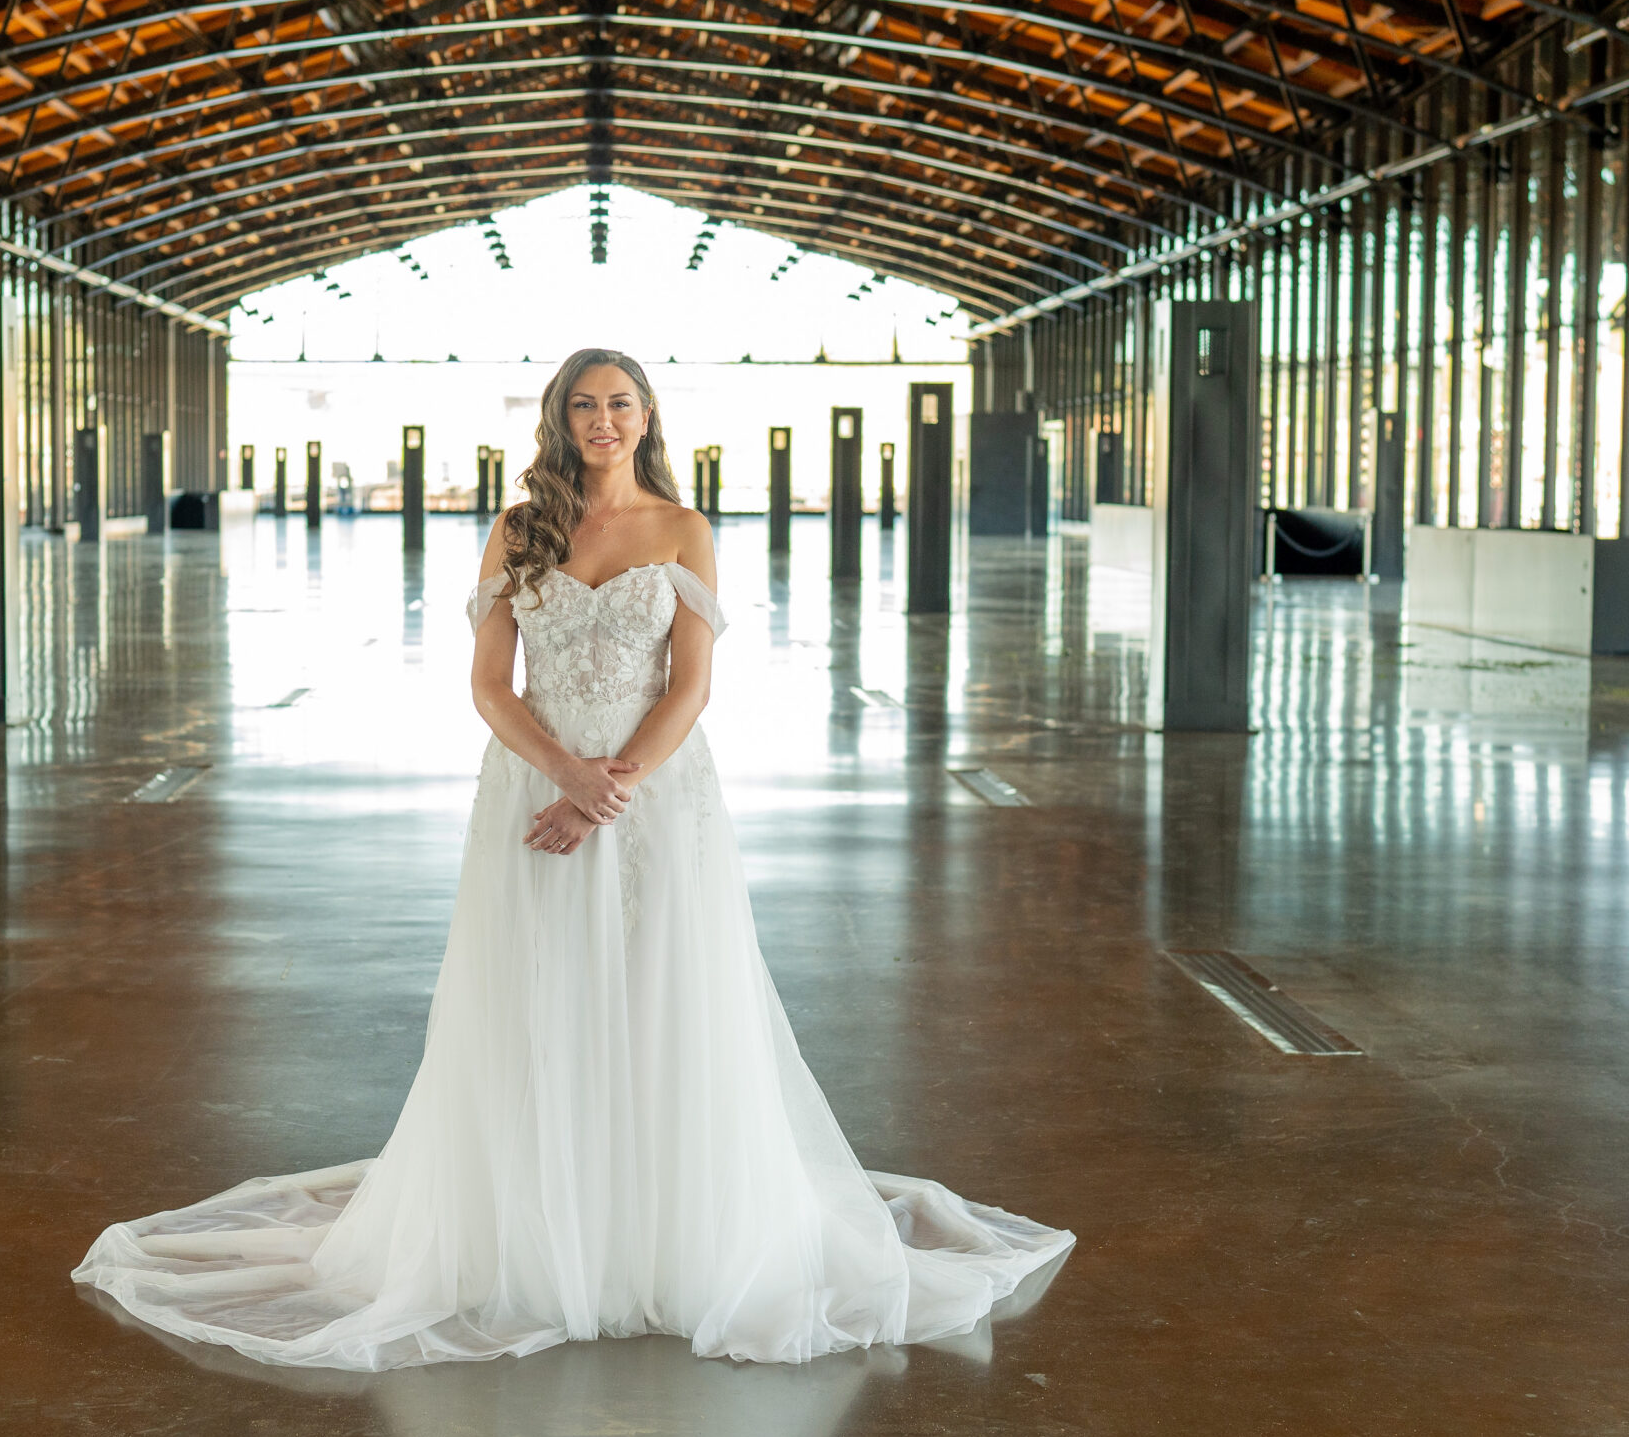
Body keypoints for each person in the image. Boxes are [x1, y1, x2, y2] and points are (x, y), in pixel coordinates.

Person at [74, 349, 1072, 1367]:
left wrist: (615, 785)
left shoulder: (683, 529)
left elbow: (690, 685)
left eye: (620, 404)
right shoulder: (517, 529)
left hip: (655, 801)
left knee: (659, 996)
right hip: (533, 792)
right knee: (537, 995)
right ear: (560, 418)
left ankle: (660, 1237)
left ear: (647, 418)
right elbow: (488, 683)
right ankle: (541, 1234)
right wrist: (564, 774)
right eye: (585, 405)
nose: (603, 420)